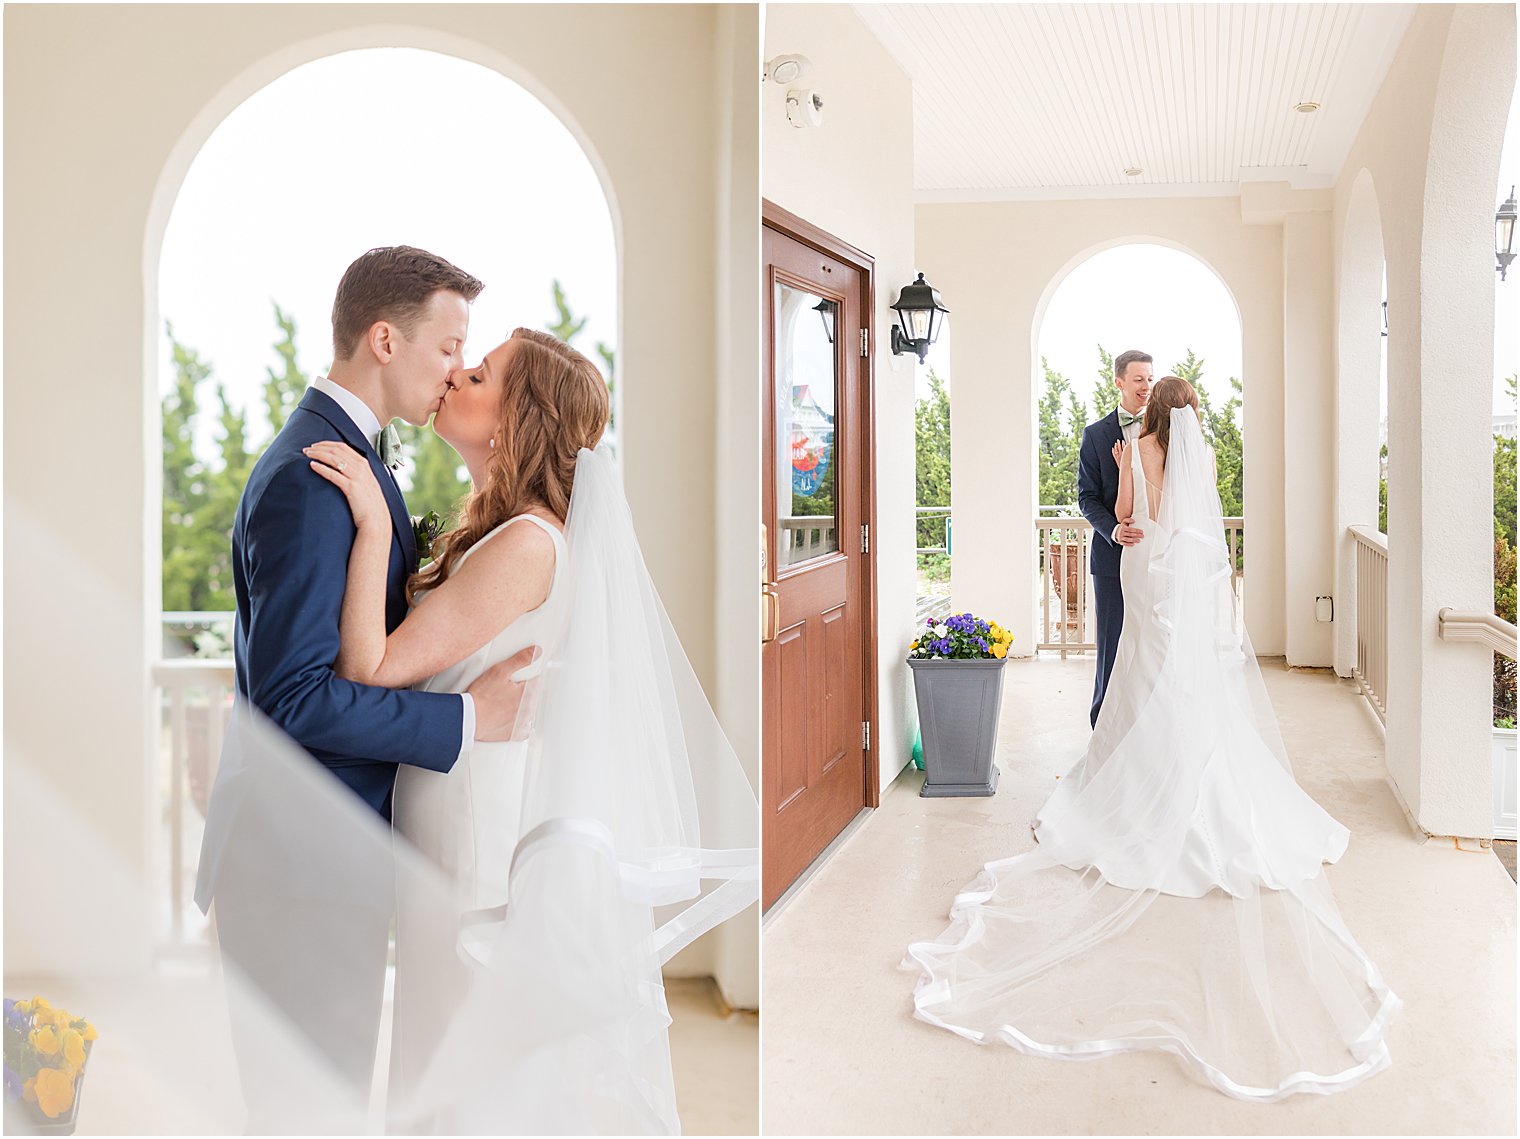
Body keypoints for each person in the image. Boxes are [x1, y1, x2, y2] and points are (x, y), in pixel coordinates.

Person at [306, 327, 758, 1133]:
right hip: (455, 811)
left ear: (513, 421)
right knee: (447, 1051)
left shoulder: (526, 544)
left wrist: (375, 528)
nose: (454, 377)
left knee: (465, 1064)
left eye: (477, 374)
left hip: (474, 832)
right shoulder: (507, 529)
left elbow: (371, 669)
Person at [906, 377, 1400, 1102]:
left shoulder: (1132, 444)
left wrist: (1133, 508)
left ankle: (1133, 782)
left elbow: (1130, 517)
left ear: (1152, 409)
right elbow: (1201, 526)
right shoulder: (1195, 456)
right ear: (1190, 414)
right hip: (1185, 581)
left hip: (1146, 575)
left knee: (1137, 680)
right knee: (1185, 687)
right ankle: (1186, 779)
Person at [193, 246, 537, 1130]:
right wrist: (467, 719)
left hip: (322, 854)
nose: (458, 368)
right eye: (448, 345)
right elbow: (296, 700)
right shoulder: (314, 477)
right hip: (293, 864)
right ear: (384, 340)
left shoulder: (357, 461)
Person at [1077, 349, 1153, 729]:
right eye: (1138, 379)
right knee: (1111, 644)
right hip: (1110, 560)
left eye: (1150, 379)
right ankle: (1102, 729)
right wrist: (1113, 530)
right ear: (1119, 382)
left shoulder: (1164, 432)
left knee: (1151, 646)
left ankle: (1146, 728)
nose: (1146, 387)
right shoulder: (1095, 435)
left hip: (1154, 557)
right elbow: (1086, 498)